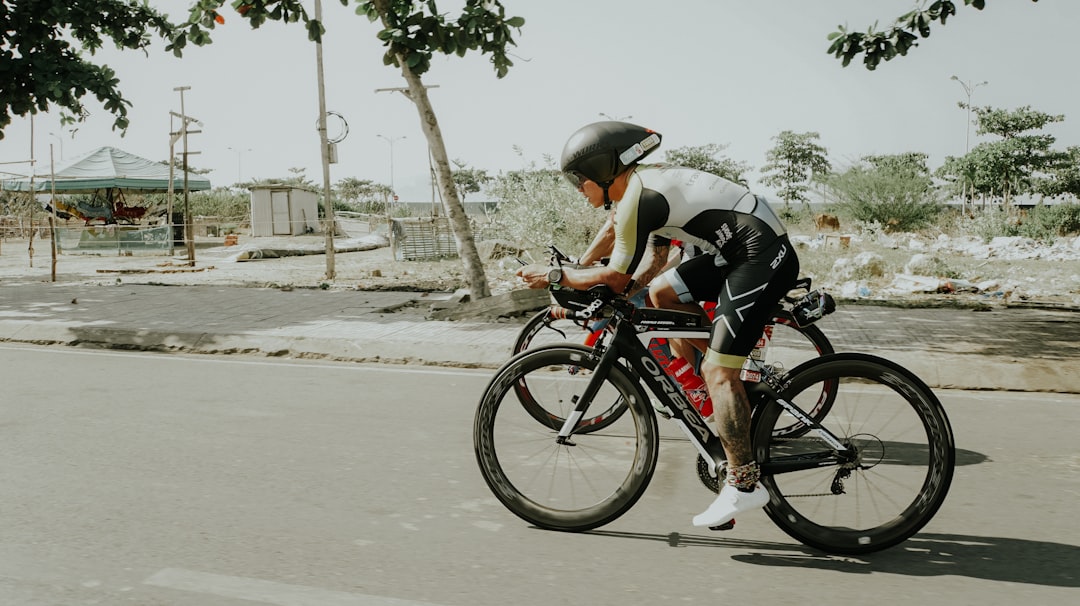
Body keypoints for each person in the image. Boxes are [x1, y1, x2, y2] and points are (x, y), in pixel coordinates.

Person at [516, 121, 800, 528]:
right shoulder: (642, 189)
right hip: (736, 250)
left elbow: (615, 276)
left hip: (759, 253)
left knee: (717, 370)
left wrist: (559, 276)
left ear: (603, 169)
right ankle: (737, 381)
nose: (578, 188)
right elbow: (647, 262)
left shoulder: (641, 195)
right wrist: (587, 274)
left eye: (579, 179)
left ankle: (744, 482)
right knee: (662, 296)